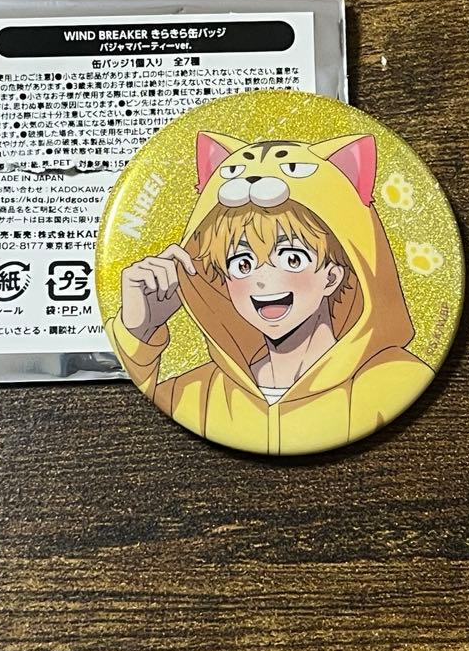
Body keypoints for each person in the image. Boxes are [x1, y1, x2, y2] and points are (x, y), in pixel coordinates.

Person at [105, 132, 433, 455]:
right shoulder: (197, 394)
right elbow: (131, 438)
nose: (262, 282)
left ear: (332, 277)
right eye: (242, 263)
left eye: (292, 258)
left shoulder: (394, 380)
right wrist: (139, 333)